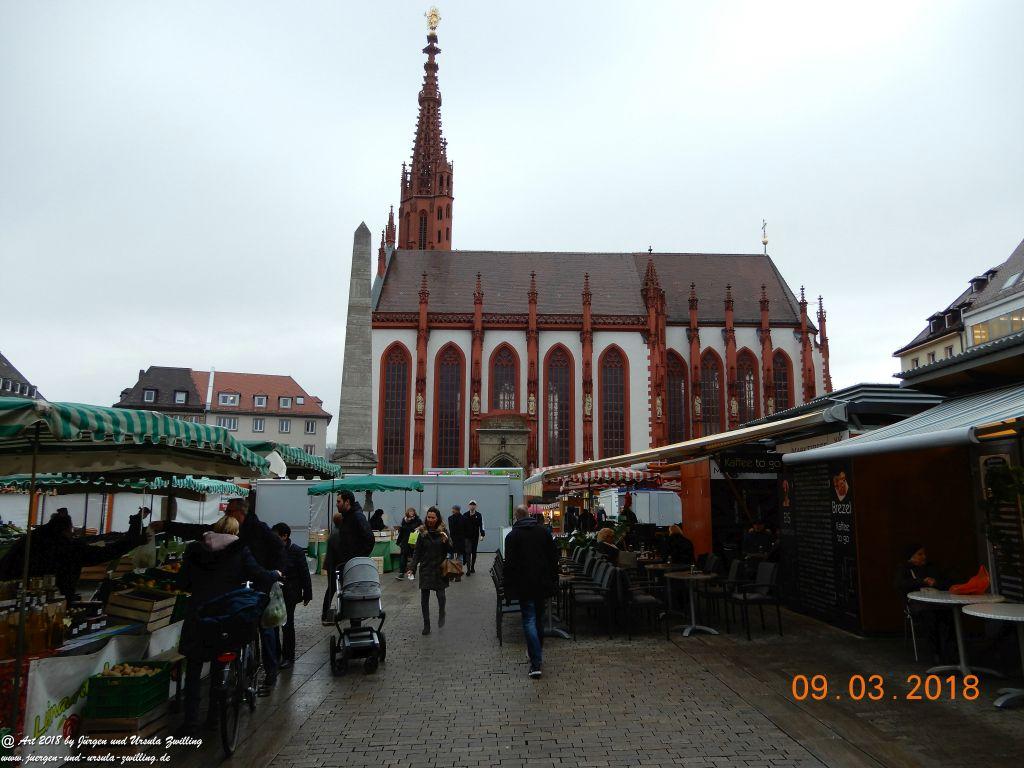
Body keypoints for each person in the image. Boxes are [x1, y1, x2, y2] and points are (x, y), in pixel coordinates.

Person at [152, 497, 285, 695]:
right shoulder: (225, 538)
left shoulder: (257, 530)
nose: (226, 515)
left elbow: (278, 548)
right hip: (232, 595)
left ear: (241, 513)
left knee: (264, 628)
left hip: (250, 588)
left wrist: (272, 572)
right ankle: (214, 713)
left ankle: (271, 672)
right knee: (221, 652)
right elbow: (196, 529)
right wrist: (168, 526)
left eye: (229, 511)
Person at [175, 514, 281, 736]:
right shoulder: (239, 550)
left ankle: (190, 721)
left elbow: (182, 582)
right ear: (234, 532)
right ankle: (214, 718)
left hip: (198, 613)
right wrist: (274, 574)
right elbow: (258, 574)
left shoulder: (195, 549)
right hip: (224, 614)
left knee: (193, 669)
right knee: (218, 666)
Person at [0, 509, 145, 602]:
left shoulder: (29, 539)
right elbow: (102, 554)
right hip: (51, 599)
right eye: (71, 530)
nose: (73, 533)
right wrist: (133, 542)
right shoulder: (67, 547)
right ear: (66, 530)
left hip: (11, 595)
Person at [503, 504, 558, 679]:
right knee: (539, 619)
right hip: (542, 583)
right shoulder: (543, 532)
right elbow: (553, 558)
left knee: (529, 619)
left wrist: (508, 588)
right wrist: (553, 581)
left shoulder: (512, 536)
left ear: (516, 518)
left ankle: (535, 661)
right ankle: (536, 653)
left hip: (524, 584)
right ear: (529, 515)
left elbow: (509, 565)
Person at [322, 490, 374, 623]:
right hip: (345, 565)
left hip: (353, 565)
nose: (336, 504)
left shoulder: (357, 516)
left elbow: (369, 538)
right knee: (347, 594)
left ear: (347, 502)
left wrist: (358, 558)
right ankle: (351, 623)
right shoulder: (347, 517)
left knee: (353, 595)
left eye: (338, 501)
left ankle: (355, 626)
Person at [895, 545, 953, 662]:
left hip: (937, 601)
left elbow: (947, 584)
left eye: (923, 554)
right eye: (919, 554)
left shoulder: (931, 568)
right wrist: (920, 582)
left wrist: (935, 583)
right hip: (917, 604)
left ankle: (950, 651)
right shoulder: (904, 569)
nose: (924, 557)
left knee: (948, 614)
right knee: (929, 616)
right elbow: (899, 584)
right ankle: (935, 652)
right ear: (911, 557)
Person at [271, 523, 313, 670]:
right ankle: (275, 654)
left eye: (276, 535)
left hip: (291, 592)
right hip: (275, 592)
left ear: (285, 536)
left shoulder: (296, 551)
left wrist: (307, 593)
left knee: (288, 624)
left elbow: (304, 573)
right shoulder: (273, 551)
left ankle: (288, 656)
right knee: (274, 623)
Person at [407, 507, 450, 635]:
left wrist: (446, 541)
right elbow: (417, 552)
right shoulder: (422, 532)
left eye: (432, 517)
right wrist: (412, 568)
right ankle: (427, 625)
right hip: (426, 568)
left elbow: (450, 549)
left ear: (437, 519)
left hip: (439, 569)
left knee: (441, 596)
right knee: (424, 599)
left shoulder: (443, 532)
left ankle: (442, 612)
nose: (430, 519)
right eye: (428, 517)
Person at [395, 507, 422, 581]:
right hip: (405, 541)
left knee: (414, 557)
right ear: (407, 512)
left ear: (414, 512)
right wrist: (398, 541)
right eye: (410, 511)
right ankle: (401, 573)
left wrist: (419, 528)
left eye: (412, 511)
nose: (411, 513)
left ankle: (412, 572)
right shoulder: (404, 520)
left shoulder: (417, 520)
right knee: (403, 556)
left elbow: (421, 527)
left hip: (413, 540)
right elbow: (402, 530)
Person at [463, 500, 485, 575]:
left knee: (474, 553)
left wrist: (482, 534)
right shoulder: (465, 515)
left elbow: (482, 525)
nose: (472, 506)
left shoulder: (479, 515)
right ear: (468, 506)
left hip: (475, 537)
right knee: (468, 552)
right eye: (471, 505)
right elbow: (462, 526)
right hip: (467, 537)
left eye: (474, 505)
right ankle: (468, 569)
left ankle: (472, 567)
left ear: (476, 506)